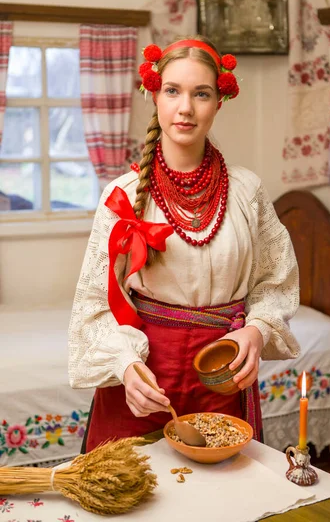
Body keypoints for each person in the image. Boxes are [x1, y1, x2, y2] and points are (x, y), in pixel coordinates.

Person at [68, 36, 300, 453]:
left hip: (222, 374)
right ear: (153, 93)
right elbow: (93, 302)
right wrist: (124, 364)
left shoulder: (247, 191)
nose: (186, 108)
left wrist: (257, 329)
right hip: (142, 381)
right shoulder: (121, 196)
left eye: (202, 94)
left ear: (219, 101)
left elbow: (275, 282)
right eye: (172, 90)